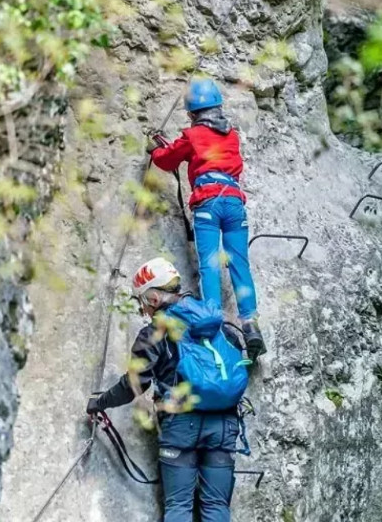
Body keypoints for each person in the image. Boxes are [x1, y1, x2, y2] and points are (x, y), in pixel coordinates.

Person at [86, 257, 249, 522]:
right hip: (224, 423)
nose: (144, 312)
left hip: (181, 425)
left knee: (178, 507)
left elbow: (135, 384)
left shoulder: (155, 333)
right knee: (217, 506)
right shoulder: (216, 322)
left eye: (142, 303)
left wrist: (99, 402)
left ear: (152, 298)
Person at [147, 78, 266, 359]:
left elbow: (167, 160)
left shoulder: (192, 136)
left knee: (210, 265)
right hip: (234, 202)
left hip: (208, 204)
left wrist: (155, 149)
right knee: (239, 263)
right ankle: (250, 325)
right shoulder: (232, 135)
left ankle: (214, 325)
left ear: (192, 113)